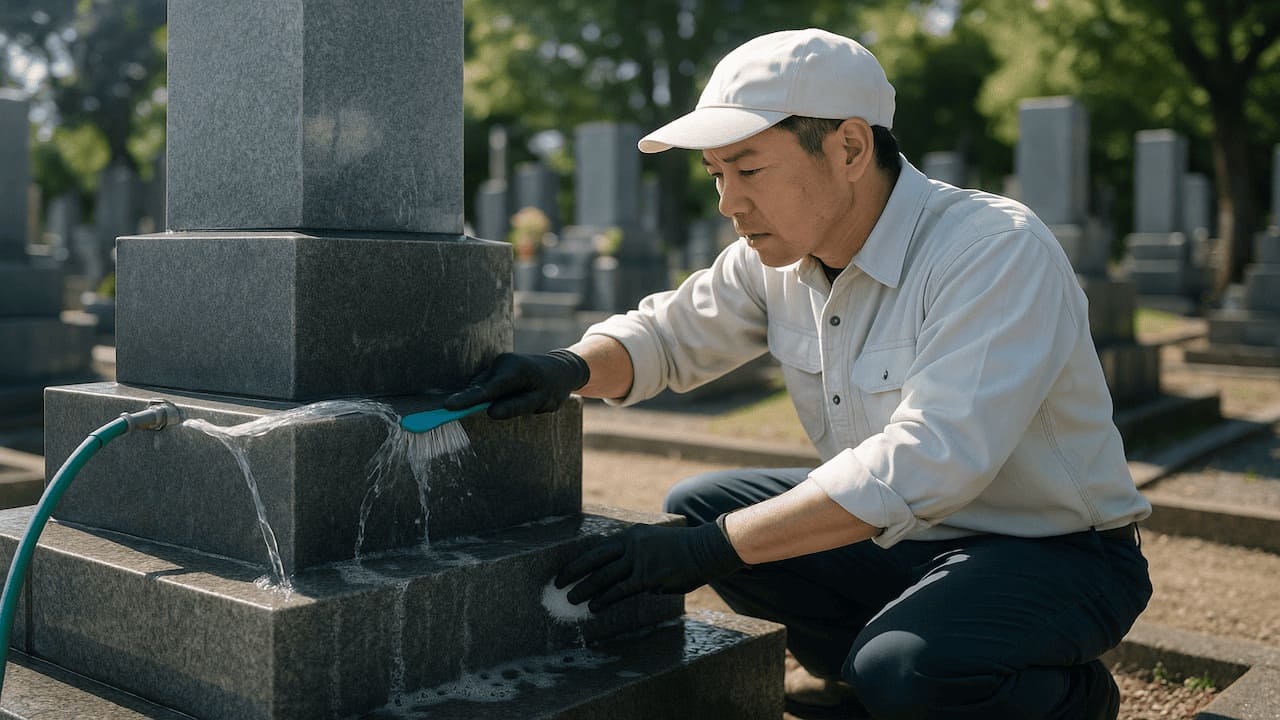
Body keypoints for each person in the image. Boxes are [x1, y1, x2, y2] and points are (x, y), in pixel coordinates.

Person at [445, 27, 1152, 720]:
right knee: (701, 501)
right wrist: (566, 369)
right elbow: (669, 334)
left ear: (849, 146)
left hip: (1056, 551)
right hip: (898, 541)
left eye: (749, 170)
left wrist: (709, 551)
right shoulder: (776, 257)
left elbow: (932, 456)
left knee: (906, 670)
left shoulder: (991, 250)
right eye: (717, 175)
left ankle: (1075, 701)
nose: (728, 203)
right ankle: (856, 679)